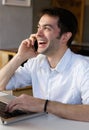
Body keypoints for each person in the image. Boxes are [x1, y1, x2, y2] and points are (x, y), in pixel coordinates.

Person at [0, 7, 89, 122]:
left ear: (65, 37)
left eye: (46, 28)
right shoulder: (37, 62)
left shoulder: (84, 67)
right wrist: (20, 56)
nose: (38, 34)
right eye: (38, 28)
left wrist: (44, 105)